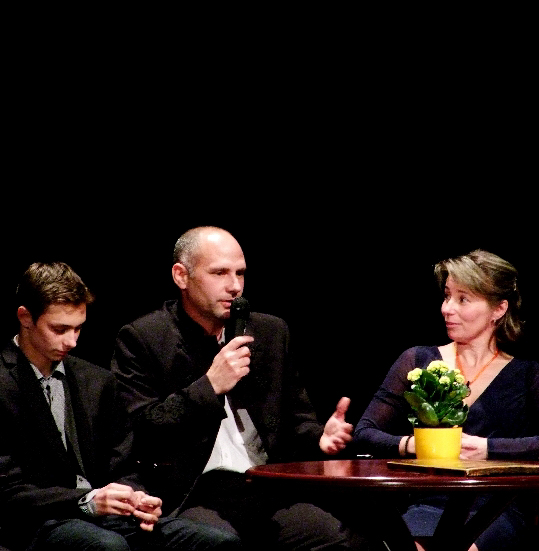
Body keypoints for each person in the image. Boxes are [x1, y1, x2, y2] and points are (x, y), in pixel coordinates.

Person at [112, 226, 370, 550]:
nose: (234, 286)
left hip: (265, 484)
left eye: (240, 273)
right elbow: (140, 432)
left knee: (342, 537)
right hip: (194, 491)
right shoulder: (144, 338)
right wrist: (209, 386)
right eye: (219, 273)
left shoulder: (270, 332)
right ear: (181, 276)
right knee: (217, 543)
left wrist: (320, 438)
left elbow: (297, 419)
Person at [0, 262, 241, 551]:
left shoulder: (95, 380)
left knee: (217, 542)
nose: (72, 341)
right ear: (25, 318)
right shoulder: (4, 382)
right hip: (35, 521)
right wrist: (86, 500)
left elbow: (124, 463)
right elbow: (8, 489)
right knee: (108, 546)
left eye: (78, 328)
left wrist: (135, 497)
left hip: (104, 518)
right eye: (59, 329)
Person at [353, 249, 539, 551]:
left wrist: (488, 449)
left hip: (495, 506)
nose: (447, 309)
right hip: (429, 502)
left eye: (463, 299)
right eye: (447, 296)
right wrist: (415, 444)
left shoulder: (527, 374)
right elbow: (364, 433)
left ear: (498, 309)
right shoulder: (418, 359)